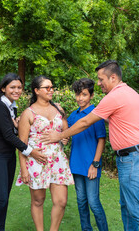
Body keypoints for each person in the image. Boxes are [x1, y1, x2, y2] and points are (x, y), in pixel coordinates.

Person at [41, 60, 139, 231]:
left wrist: (60, 135)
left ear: (113, 77)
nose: (99, 83)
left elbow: (86, 122)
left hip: (129, 158)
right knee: (126, 206)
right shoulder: (129, 93)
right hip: (128, 157)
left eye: (101, 79)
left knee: (132, 209)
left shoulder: (114, 96)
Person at [0, 73, 47, 231]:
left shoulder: (13, 106)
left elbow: (13, 131)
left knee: (4, 199)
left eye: (19, 87)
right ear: (3, 88)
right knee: (0, 199)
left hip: (8, 155)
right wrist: (31, 151)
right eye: (12, 87)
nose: (17, 90)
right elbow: (8, 135)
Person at [16, 75, 74, 231]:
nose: (51, 90)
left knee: (61, 201)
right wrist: (24, 169)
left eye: (52, 87)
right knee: (38, 200)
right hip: (36, 161)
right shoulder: (28, 113)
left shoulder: (58, 109)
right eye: (47, 87)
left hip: (58, 161)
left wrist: (64, 138)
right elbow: (21, 145)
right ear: (36, 91)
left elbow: (65, 131)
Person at [67, 78, 108, 231]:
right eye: (78, 94)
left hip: (91, 165)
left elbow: (101, 140)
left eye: (84, 94)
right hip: (76, 165)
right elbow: (66, 133)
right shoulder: (73, 115)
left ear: (91, 95)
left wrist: (95, 164)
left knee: (93, 202)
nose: (80, 98)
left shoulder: (95, 114)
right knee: (81, 201)